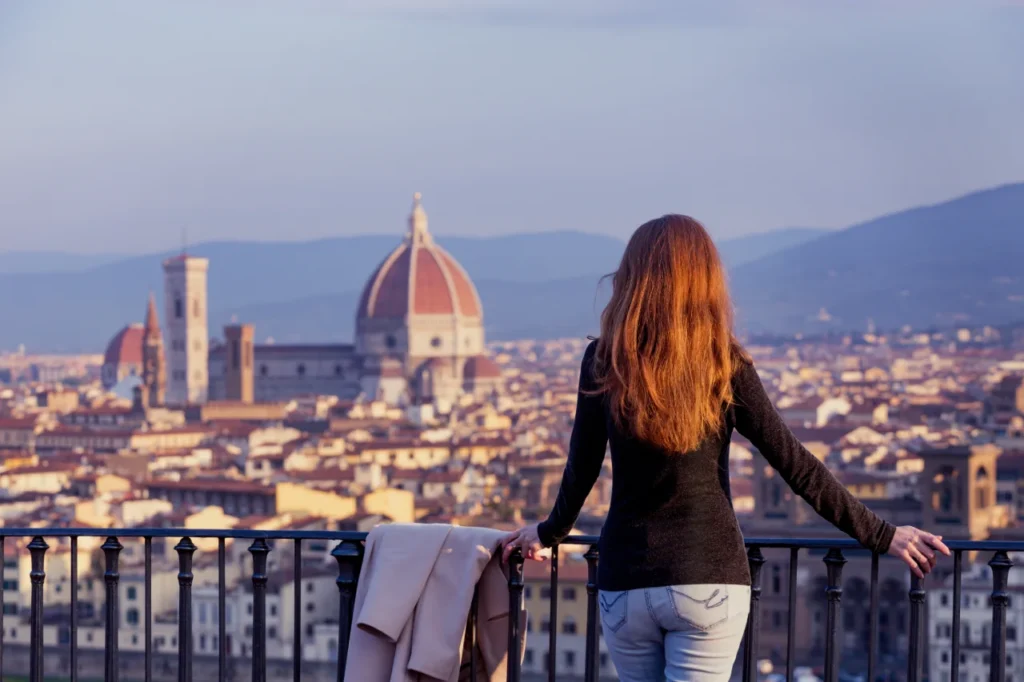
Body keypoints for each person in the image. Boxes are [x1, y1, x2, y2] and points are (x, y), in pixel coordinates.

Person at [501, 215, 949, 682]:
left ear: (632, 277)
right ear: (705, 280)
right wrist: (882, 535)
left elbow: (582, 468)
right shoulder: (723, 363)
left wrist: (549, 532)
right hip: (708, 577)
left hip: (625, 580)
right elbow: (795, 464)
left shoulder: (604, 361)